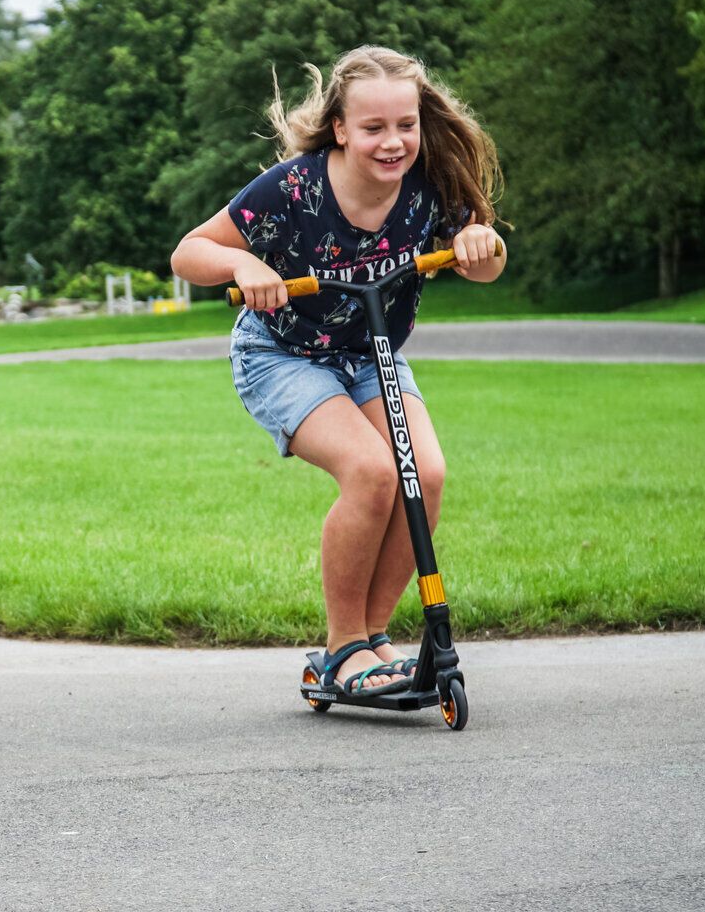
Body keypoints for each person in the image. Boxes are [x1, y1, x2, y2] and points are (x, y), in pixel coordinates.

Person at [170, 45, 504, 697]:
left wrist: (478, 244)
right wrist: (244, 266)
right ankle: (342, 645)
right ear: (341, 128)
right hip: (281, 353)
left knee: (425, 476)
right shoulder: (295, 190)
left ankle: (370, 643)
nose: (393, 142)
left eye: (404, 125)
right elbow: (190, 251)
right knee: (372, 472)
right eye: (374, 128)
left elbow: (486, 261)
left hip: (370, 352)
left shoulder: (430, 184)